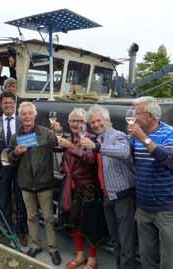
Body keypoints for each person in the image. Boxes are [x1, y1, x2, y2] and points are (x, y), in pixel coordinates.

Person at [128, 96, 173, 269]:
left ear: (150, 116)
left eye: (136, 113)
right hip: (144, 207)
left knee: (169, 260)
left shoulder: (171, 133)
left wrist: (144, 138)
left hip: (168, 209)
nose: (133, 116)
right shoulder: (135, 135)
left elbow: (169, 160)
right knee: (147, 257)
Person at [81, 104, 136, 269]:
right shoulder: (97, 138)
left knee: (126, 242)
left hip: (122, 196)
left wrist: (97, 147)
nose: (96, 124)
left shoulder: (117, 135)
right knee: (115, 241)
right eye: (93, 123)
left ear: (107, 120)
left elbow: (124, 152)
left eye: (99, 120)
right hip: (107, 196)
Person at [8, 102, 62, 266]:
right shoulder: (15, 137)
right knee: (31, 217)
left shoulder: (46, 133)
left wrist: (58, 131)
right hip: (26, 183)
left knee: (48, 218)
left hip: (44, 183)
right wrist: (15, 153)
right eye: (23, 114)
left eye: (29, 113)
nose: (26, 117)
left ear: (35, 115)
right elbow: (9, 157)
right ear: (20, 116)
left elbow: (58, 147)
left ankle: (53, 249)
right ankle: (35, 245)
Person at [57, 108, 107, 269]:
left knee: (91, 225)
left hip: (88, 189)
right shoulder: (67, 138)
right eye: (72, 120)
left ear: (85, 124)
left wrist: (70, 146)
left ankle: (92, 259)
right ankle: (79, 255)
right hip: (71, 187)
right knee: (74, 223)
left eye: (79, 121)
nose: (75, 124)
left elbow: (90, 159)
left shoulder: (90, 138)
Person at [0, 91, 28, 245]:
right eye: (5, 103)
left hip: (19, 164)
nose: (8, 105)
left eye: (11, 102)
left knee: (20, 197)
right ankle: (6, 228)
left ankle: (22, 229)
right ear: (0, 105)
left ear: (14, 103)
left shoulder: (21, 121)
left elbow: (29, 141)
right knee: (3, 198)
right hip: (2, 165)